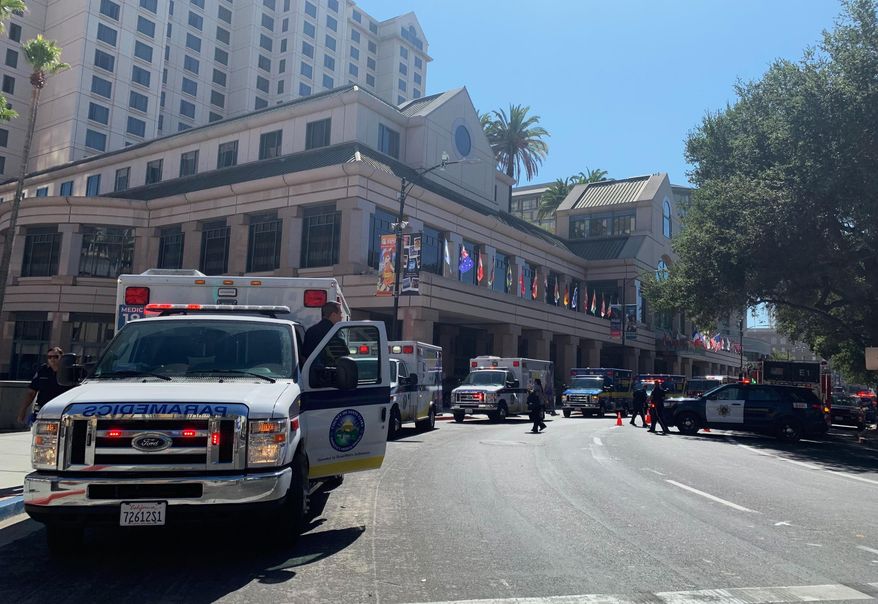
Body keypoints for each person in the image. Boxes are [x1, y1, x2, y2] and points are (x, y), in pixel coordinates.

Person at [17, 347, 72, 427]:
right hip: (43, 410)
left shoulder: (69, 372)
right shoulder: (42, 371)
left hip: (62, 410)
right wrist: (23, 411)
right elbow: (31, 393)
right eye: (49, 357)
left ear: (62, 357)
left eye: (55, 357)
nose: (52, 359)